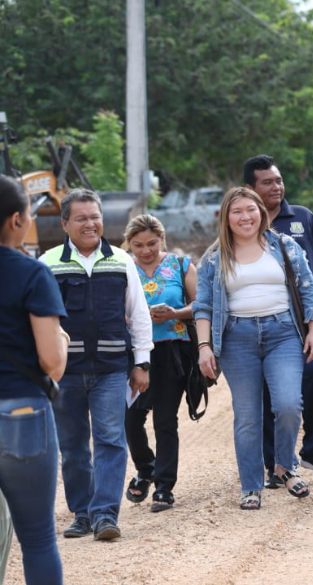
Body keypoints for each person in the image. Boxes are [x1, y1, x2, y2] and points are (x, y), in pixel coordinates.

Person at [193, 187, 313, 510]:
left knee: (288, 404)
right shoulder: (214, 257)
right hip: (236, 339)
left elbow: (308, 289)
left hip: (283, 333)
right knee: (248, 416)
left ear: (260, 212)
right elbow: (203, 306)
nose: (245, 217)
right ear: (226, 217)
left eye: (250, 209)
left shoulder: (285, 246)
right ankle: (251, 486)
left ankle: (284, 466)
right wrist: (204, 346)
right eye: (237, 211)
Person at [40, 189, 153, 541]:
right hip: (65, 372)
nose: (90, 224)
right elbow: (38, 320)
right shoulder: (47, 263)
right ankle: (82, 513)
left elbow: (139, 314)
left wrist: (142, 363)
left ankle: (105, 515)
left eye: (95, 217)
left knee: (111, 440)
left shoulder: (121, 261)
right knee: (73, 446)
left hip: (111, 368)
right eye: (81, 218)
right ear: (65, 224)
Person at [243, 154, 313, 479]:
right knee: (271, 393)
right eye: (267, 182)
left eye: (279, 180)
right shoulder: (244, 224)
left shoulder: (302, 218)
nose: (276, 187)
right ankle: (275, 464)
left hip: (310, 317)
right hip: (268, 321)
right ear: (250, 188)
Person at [0, 175, 67, 581]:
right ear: (16, 221)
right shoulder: (31, 273)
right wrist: (62, 338)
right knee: (38, 539)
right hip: (21, 412)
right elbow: (52, 363)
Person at [122, 214, 199, 513]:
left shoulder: (181, 265)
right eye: (138, 245)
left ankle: (164, 487)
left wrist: (174, 314)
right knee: (130, 420)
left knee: (165, 420)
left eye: (152, 243)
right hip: (134, 353)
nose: (146, 250)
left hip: (172, 352)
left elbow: (200, 304)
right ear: (129, 244)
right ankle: (146, 468)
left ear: (162, 239)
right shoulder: (122, 268)